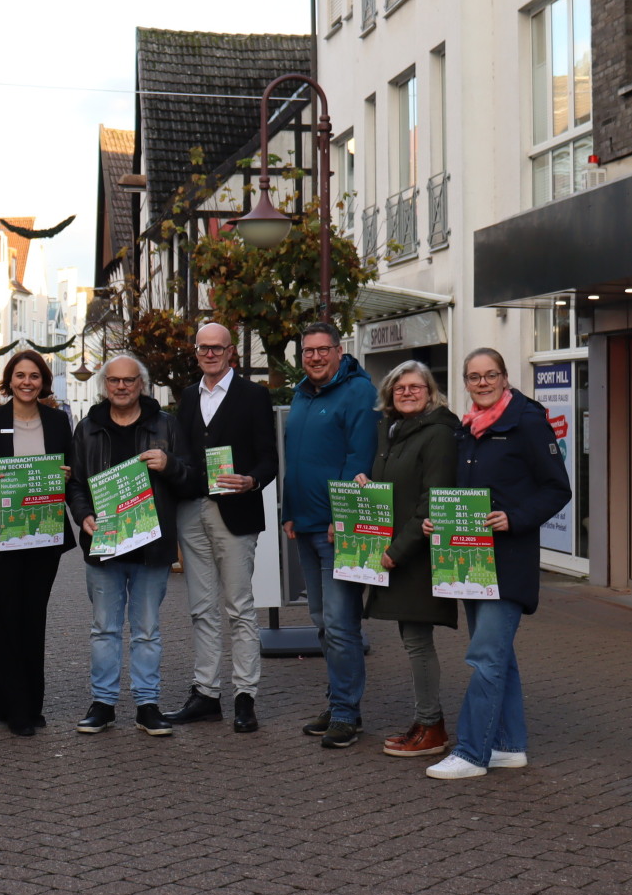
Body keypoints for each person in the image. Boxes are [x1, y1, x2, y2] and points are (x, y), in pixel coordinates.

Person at [425, 348, 571, 779]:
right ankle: (509, 745)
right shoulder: (468, 427)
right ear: (466, 383)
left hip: (507, 562)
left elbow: (557, 488)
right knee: (499, 657)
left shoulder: (526, 421)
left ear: (505, 378)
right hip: (469, 560)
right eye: (474, 377)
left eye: (490, 376)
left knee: (485, 657)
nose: (482, 383)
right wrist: (442, 521)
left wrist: (515, 518)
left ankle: (472, 753)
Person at [64, 354, 194, 737]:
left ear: (142, 384)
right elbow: (75, 483)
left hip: (151, 546)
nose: (122, 387)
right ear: (105, 385)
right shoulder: (87, 428)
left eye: (130, 381)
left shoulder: (166, 426)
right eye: (115, 381)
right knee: (104, 628)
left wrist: (169, 464)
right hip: (103, 544)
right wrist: (83, 514)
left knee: (148, 629)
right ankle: (103, 703)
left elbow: (191, 479)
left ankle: (147, 705)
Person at [166, 322, 278, 735]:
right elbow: (182, 454)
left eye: (217, 348)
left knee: (239, 607)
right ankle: (206, 694)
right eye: (203, 348)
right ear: (196, 353)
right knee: (200, 607)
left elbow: (269, 458)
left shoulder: (254, 395)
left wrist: (252, 481)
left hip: (235, 511)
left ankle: (244, 695)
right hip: (192, 509)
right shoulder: (188, 396)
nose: (210, 354)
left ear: (231, 352)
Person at [354, 360, 459, 760]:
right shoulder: (393, 431)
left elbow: (431, 500)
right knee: (411, 639)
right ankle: (425, 720)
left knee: (417, 642)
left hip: (416, 555)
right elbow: (398, 486)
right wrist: (369, 486)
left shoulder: (438, 434)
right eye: (401, 388)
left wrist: (396, 552)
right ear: (390, 395)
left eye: (417, 387)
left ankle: (431, 726)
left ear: (430, 392)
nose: (408, 393)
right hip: (400, 553)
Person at [281, 321, 378, 749]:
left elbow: (360, 458)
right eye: (308, 351)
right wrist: (290, 509)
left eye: (323, 350)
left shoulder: (358, 392)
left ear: (340, 351)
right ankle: (340, 699)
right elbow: (296, 458)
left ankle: (346, 713)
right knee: (322, 622)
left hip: (338, 529)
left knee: (340, 624)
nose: (315, 357)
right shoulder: (303, 392)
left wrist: (344, 518)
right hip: (306, 524)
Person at [0, 349, 76, 737]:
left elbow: (73, 468)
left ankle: (33, 703)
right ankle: (10, 705)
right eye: (20, 375)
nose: (27, 382)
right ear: (9, 380)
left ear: (43, 381)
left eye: (34, 376)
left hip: (43, 534)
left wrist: (68, 475)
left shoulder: (58, 421)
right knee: (2, 618)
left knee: (33, 617)